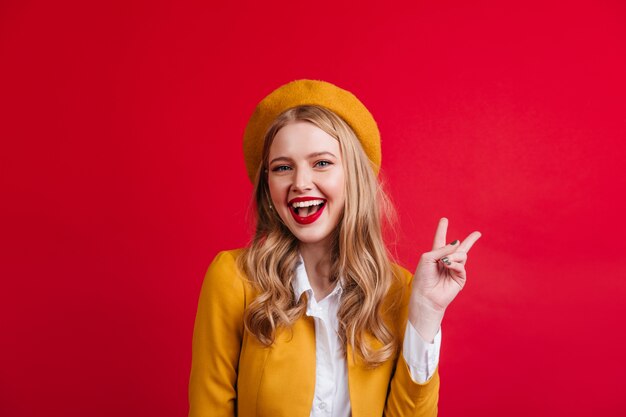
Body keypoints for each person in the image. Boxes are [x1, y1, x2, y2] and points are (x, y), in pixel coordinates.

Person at [188, 79, 481, 417]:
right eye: (282, 167)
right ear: (268, 188)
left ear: (354, 176)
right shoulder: (234, 279)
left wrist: (427, 315)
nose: (300, 183)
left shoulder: (399, 290)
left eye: (322, 163)